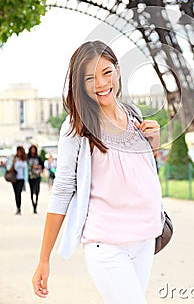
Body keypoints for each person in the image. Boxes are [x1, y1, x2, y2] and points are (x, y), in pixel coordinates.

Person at [32, 40, 164, 304]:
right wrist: (44, 259)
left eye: (106, 72)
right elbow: (62, 190)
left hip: (145, 237)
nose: (102, 84)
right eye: (90, 78)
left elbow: (137, 173)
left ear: (117, 71)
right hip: (107, 243)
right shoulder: (77, 125)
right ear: (80, 85)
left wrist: (155, 144)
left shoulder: (133, 114)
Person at [6, 146, 28, 215]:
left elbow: (26, 171)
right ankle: (18, 208)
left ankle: (19, 208)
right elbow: (9, 169)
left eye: (20, 151)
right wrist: (13, 163)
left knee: (19, 193)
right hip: (14, 179)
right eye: (18, 151)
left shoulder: (24, 160)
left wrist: (25, 181)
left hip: (21, 179)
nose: (19, 153)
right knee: (16, 193)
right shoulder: (13, 159)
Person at [27, 145, 44, 213]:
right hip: (30, 177)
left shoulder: (38, 157)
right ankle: (33, 205)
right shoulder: (28, 157)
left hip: (37, 176)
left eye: (34, 149)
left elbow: (42, 166)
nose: (33, 150)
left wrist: (37, 167)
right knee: (31, 191)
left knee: (37, 191)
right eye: (32, 149)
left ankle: (36, 204)